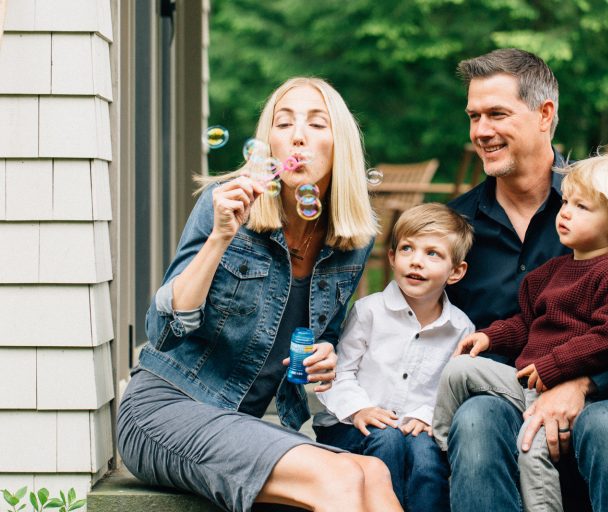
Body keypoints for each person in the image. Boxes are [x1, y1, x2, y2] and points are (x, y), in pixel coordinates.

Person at [116, 77, 403, 512]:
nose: (298, 136)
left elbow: (319, 342)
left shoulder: (352, 237)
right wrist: (219, 238)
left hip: (237, 424)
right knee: (339, 476)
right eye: (283, 124)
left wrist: (326, 355)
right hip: (164, 408)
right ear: (269, 144)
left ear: (340, 143)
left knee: (372, 473)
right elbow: (164, 331)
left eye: (316, 124)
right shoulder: (225, 207)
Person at [443, 48, 608, 512]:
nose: (481, 131)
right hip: (505, 404)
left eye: (497, 114)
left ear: (544, 114)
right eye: (474, 116)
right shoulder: (457, 227)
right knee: (474, 418)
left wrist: (585, 383)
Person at [434, 153, 608, 512]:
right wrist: (492, 337)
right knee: (458, 368)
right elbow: (527, 323)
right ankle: (441, 440)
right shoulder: (551, 272)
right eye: (566, 202)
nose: (565, 211)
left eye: (581, 207)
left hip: (582, 392)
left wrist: (560, 367)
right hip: (525, 385)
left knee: (532, 451)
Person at [313, 203, 475, 511]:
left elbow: (451, 391)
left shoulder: (461, 328)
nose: (416, 261)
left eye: (432, 254)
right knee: (387, 441)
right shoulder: (369, 311)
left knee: (428, 457)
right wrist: (359, 409)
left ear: (456, 272)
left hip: (415, 428)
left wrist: (427, 416)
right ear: (392, 258)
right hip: (348, 426)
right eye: (407, 249)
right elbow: (338, 373)